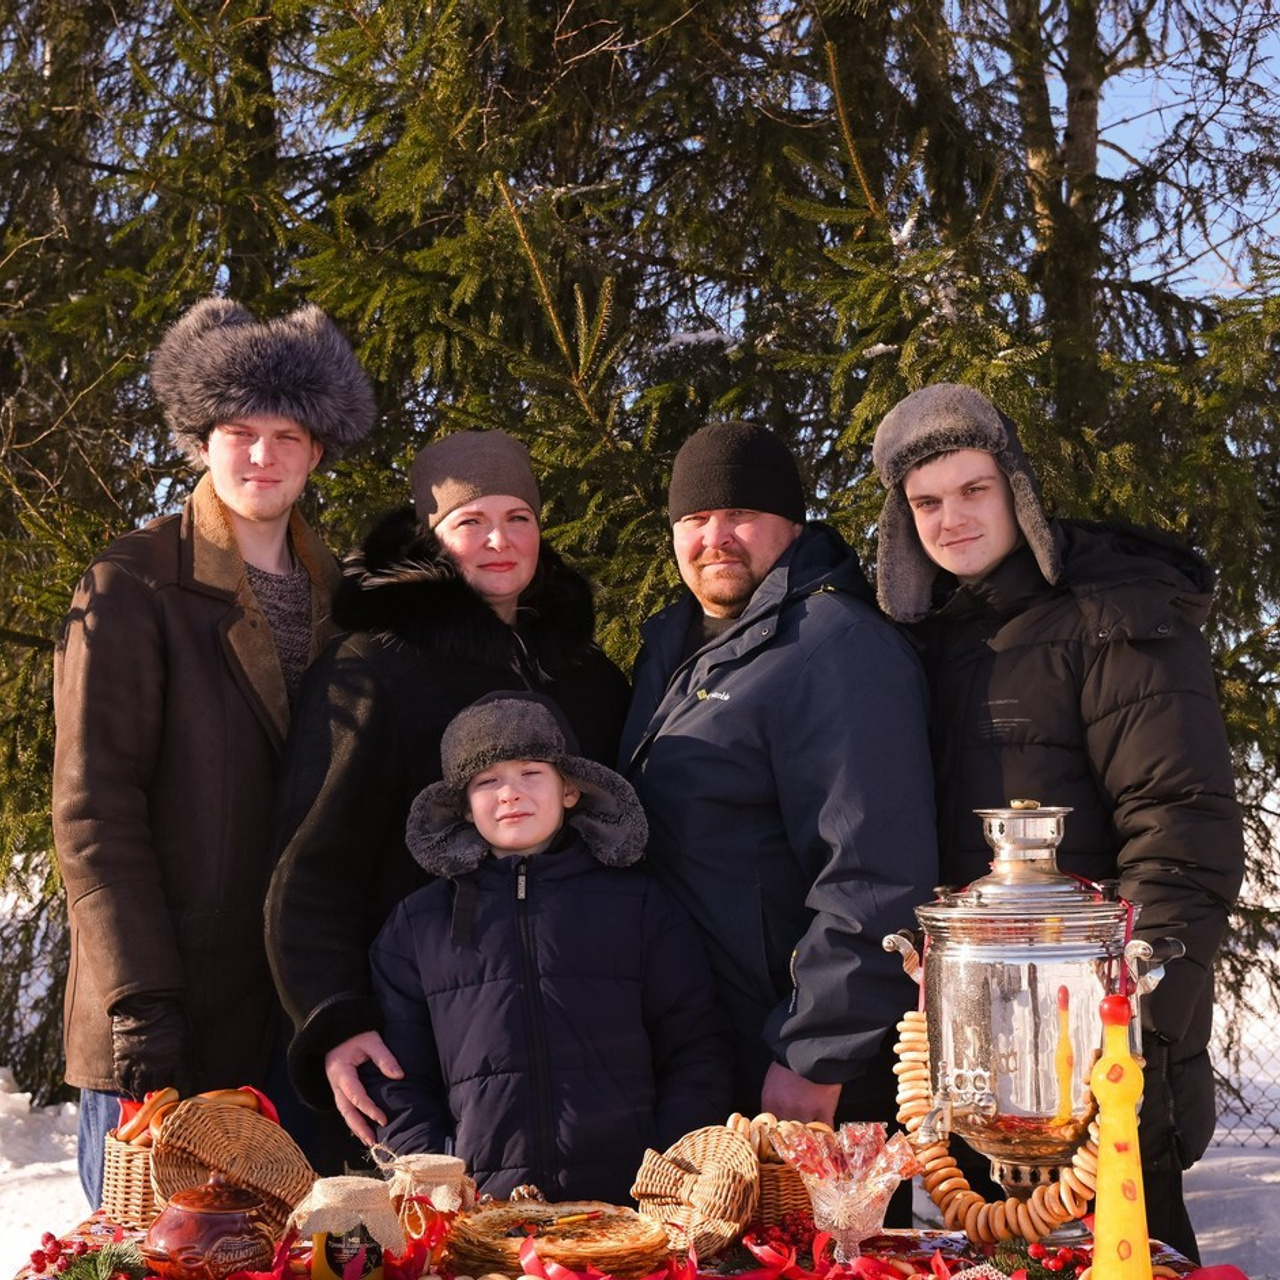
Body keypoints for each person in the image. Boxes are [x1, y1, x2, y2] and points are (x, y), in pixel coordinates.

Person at [872, 381, 1246, 1260]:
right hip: (965, 1065)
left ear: (1017, 490)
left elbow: (1180, 828)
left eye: (973, 491)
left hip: (1096, 1065)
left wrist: (1132, 1019)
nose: (951, 519)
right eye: (926, 502)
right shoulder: (917, 643)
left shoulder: (1113, 615)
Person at [52, 296, 377, 1206]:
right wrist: (139, 1009)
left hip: (297, 1021)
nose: (263, 455)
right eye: (240, 430)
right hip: (167, 1022)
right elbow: (93, 816)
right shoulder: (132, 584)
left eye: (287, 432)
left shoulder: (347, 600)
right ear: (200, 440)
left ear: (318, 448)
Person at [266, 429, 632, 1164]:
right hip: (423, 1042)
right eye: (470, 522)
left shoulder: (586, 675)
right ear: (431, 540)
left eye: (518, 518)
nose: (499, 539)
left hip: (581, 1043)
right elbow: (312, 866)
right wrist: (334, 1017)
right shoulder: (373, 668)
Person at [618, 421, 939, 1143]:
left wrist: (815, 1052)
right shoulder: (675, 650)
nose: (716, 537)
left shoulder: (836, 647)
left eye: (742, 515)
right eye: (695, 519)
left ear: (790, 526)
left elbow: (876, 870)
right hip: (701, 1052)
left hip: (795, 1069)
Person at [366, 691, 731, 1202]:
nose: (509, 794)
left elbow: (695, 1048)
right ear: (465, 808)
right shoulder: (417, 925)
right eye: (486, 781)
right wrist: (435, 1185)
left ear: (570, 791)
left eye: (530, 773)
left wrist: (671, 1171)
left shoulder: (639, 905)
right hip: (480, 1212)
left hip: (630, 1207)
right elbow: (397, 1081)